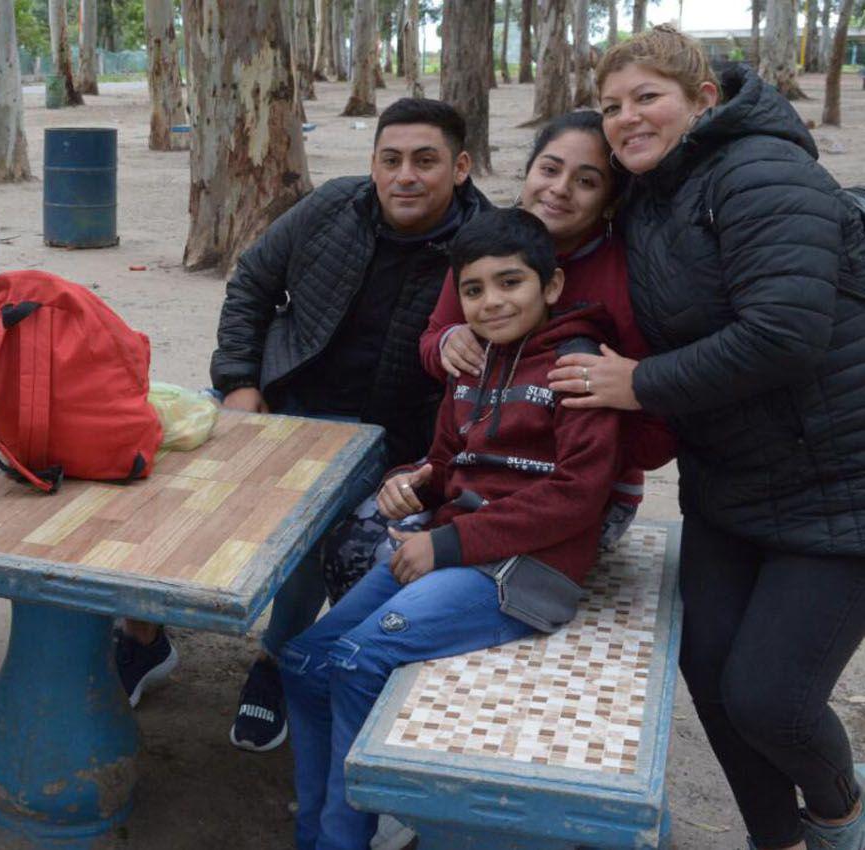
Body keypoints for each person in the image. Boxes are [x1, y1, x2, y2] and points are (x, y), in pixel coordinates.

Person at [549, 26, 865, 850]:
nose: (626, 118)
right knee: (712, 678)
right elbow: (558, 227)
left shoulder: (761, 171)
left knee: (771, 698)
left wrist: (637, 385)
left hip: (841, 480)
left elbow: (787, 333)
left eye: (648, 96)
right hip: (729, 483)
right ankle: (776, 840)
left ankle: (840, 812)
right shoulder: (648, 193)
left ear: (705, 99)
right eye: (612, 104)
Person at [115, 99, 492, 755]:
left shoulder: (484, 244)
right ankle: (144, 638)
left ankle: (276, 663)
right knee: (160, 477)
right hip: (279, 400)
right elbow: (254, 281)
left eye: (426, 161)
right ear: (373, 165)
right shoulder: (334, 209)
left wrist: (432, 466)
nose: (406, 175)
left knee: (314, 525)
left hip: (387, 440)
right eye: (391, 159)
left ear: (459, 167)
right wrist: (239, 384)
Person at [280, 208, 623, 850]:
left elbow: (579, 495)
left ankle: (342, 839)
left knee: (356, 662)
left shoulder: (578, 366)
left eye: (510, 283)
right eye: (473, 289)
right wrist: (411, 481)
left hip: (523, 571)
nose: (491, 302)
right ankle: (324, 830)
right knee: (303, 662)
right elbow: (446, 461)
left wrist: (449, 542)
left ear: (550, 286)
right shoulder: (473, 365)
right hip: (449, 551)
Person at [417, 109, 674, 551]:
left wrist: (623, 395)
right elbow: (434, 343)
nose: (559, 189)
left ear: (610, 201)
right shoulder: (490, 246)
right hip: (476, 469)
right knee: (366, 543)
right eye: (550, 169)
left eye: (586, 181)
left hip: (585, 492)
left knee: (444, 568)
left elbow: (658, 432)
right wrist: (446, 344)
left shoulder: (630, 277)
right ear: (529, 169)